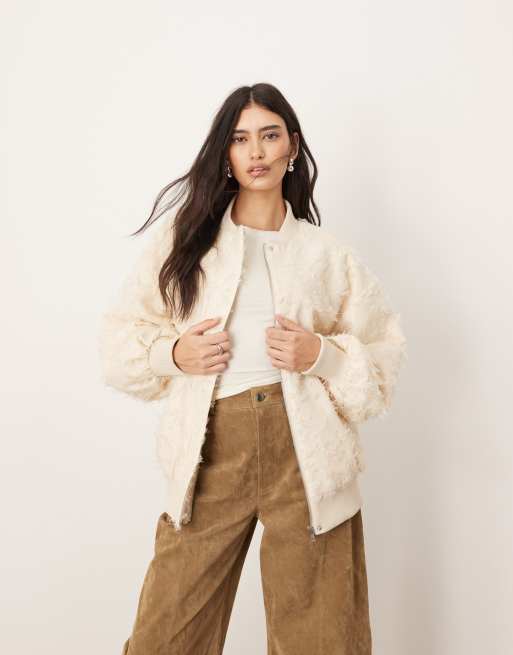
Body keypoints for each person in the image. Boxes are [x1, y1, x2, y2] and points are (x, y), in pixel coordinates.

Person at [98, 82, 407, 655]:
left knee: (321, 640)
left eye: (269, 135)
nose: (256, 152)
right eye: (240, 140)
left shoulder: (326, 255)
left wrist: (322, 355)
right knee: (165, 635)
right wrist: (173, 355)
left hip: (307, 460)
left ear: (293, 146)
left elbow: (383, 362)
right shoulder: (187, 244)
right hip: (212, 451)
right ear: (226, 154)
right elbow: (118, 342)